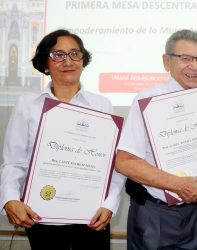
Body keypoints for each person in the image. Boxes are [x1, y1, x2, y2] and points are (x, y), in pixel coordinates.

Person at [0, 29, 126, 250]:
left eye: (74, 54)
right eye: (58, 55)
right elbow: (14, 161)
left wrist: (110, 205)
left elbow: (112, 166)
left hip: (92, 217)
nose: (68, 61)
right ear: (45, 64)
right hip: (41, 215)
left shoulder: (102, 105)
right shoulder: (27, 105)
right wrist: (10, 199)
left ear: (83, 60)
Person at [115, 29, 197, 250]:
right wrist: (178, 184)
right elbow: (125, 161)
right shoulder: (148, 101)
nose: (194, 66)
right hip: (154, 214)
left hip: (194, 212)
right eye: (185, 58)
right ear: (167, 61)